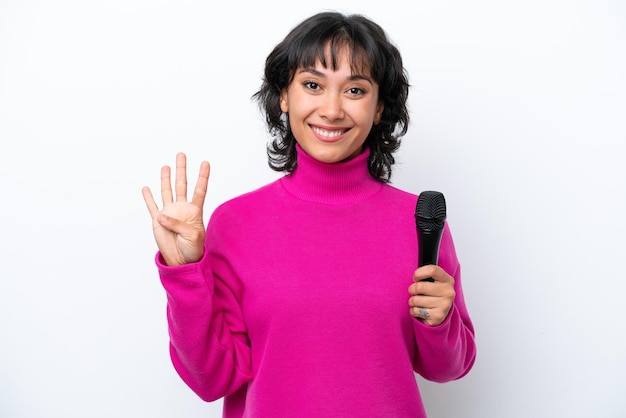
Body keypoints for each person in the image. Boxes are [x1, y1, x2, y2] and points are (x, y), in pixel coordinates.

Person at [142, 11, 476, 417]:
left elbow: (448, 368)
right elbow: (212, 380)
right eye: (313, 85)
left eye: (355, 90)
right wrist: (185, 274)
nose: (332, 110)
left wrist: (439, 322)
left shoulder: (419, 220)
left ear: (380, 108)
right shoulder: (234, 223)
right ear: (284, 95)